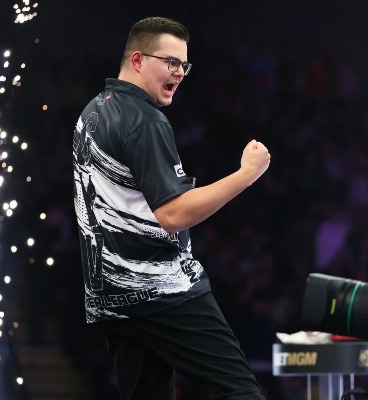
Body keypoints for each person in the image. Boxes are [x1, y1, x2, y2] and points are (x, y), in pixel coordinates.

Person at [72, 16, 271, 400]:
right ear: (137, 60)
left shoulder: (91, 113)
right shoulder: (145, 120)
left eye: (183, 64)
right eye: (170, 62)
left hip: (110, 297)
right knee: (240, 393)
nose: (179, 72)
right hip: (161, 290)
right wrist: (247, 174)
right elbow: (174, 214)